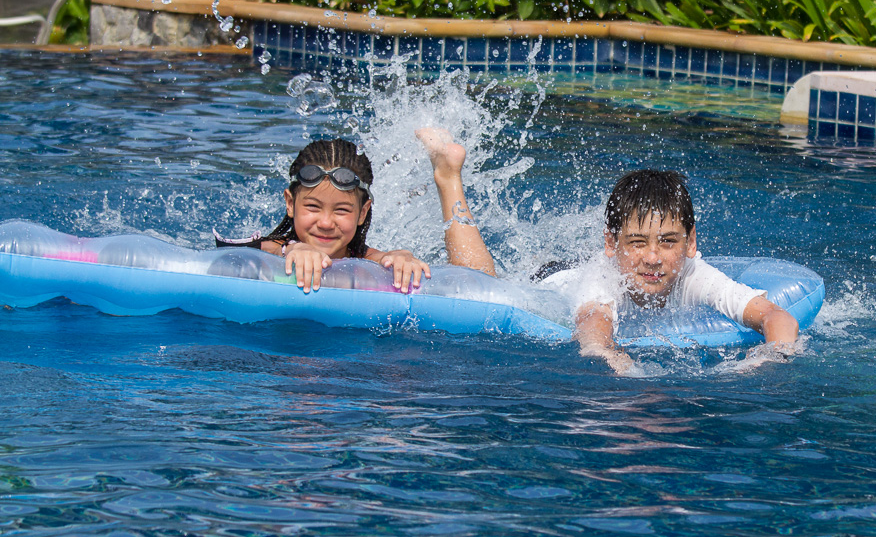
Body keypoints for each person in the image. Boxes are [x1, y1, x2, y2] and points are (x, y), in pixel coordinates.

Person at [416, 127, 799, 375]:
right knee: (482, 282)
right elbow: (593, 325)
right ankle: (449, 176)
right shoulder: (602, 280)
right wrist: (615, 359)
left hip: (580, 267)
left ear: (691, 242)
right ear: (611, 244)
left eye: (668, 241)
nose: (654, 258)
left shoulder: (693, 273)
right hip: (551, 280)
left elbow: (774, 316)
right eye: (637, 242)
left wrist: (770, 355)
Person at [216, 138, 430, 294]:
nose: (326, 223)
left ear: (362, 213)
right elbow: (231, 255)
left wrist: (399, 259)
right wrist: (291, 249)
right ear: (290, 204)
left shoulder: (364, 259)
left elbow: (381, 259)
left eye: (342, 210)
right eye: (313, 207)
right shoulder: (275, 249)